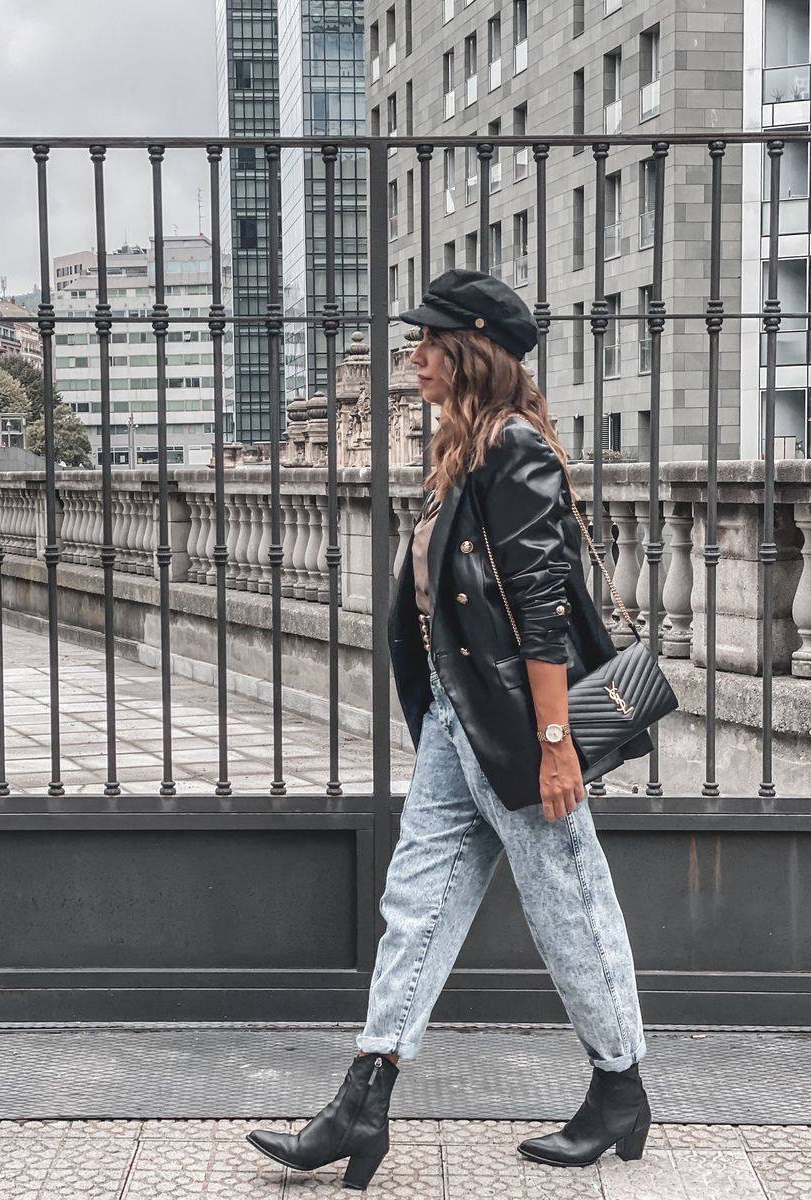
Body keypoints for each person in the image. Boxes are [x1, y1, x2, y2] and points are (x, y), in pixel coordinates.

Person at [246, 269, 652, 1192]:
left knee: (569, 900)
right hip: (453, 713)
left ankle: (620, 1086)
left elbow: (543, 611)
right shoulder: (463, 451)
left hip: (516, 725)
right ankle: (363, 1100)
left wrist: (557, 745)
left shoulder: (514, 450)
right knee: (417, 901)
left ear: (472, 351)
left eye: (430, 342)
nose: (415, 356)